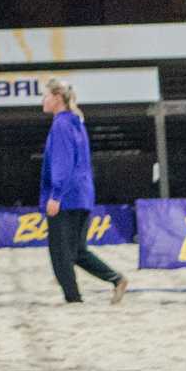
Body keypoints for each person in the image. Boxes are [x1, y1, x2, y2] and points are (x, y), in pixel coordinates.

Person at [39, 78, 128, 305]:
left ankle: (73, 299)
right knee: (77, 251)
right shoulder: (77, 122)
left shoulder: (60, 125)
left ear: (57, 98)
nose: (43, 100)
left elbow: (62, 162)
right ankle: (116, 279)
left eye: (46, 95)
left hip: (66, 198)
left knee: (60, 253)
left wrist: (55, 195)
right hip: (82, 195)